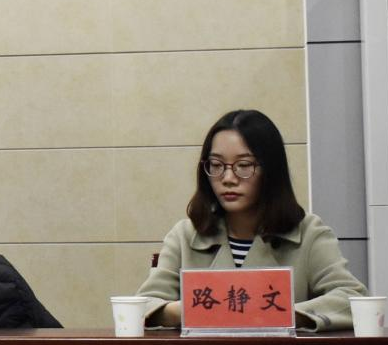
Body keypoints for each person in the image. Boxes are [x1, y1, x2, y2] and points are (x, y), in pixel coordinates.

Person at [136, 109, 367, 331]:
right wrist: (193, 311)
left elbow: (352, 298)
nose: (228, 178)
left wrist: (282, 314)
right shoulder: (186, 235)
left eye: (244, 166)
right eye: (216, 165)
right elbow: (144, 306)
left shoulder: (309, 233)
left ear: (271, 170)